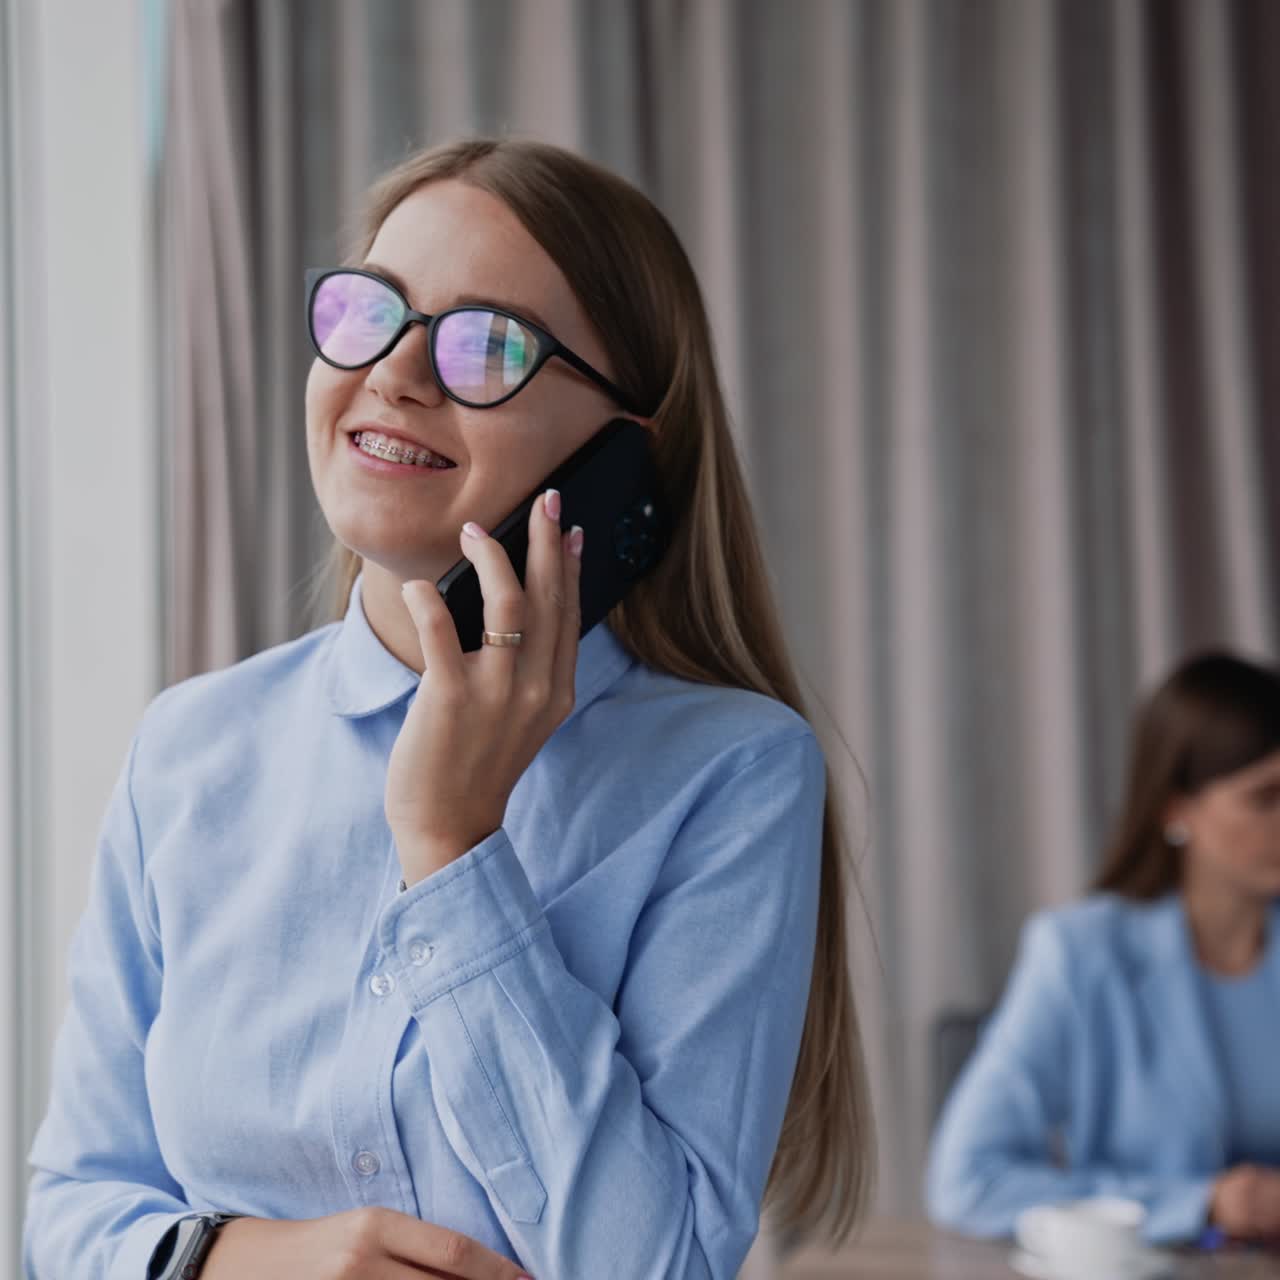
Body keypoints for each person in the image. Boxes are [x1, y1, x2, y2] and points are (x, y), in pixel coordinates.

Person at [22, 137, 875, 1280]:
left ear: (622, 455)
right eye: (372, 313)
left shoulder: (729, 773)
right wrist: (240, 1262)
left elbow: (654, 1265)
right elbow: (70, 1204)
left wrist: (452, 844)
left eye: (486, 345)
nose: (397, 373)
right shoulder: (190, 750)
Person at [925, 651, 1280, 1247]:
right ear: (1177, 807)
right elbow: (968, 1183)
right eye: (1265, 798)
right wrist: (1204, 1203)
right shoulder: (1080, 954)